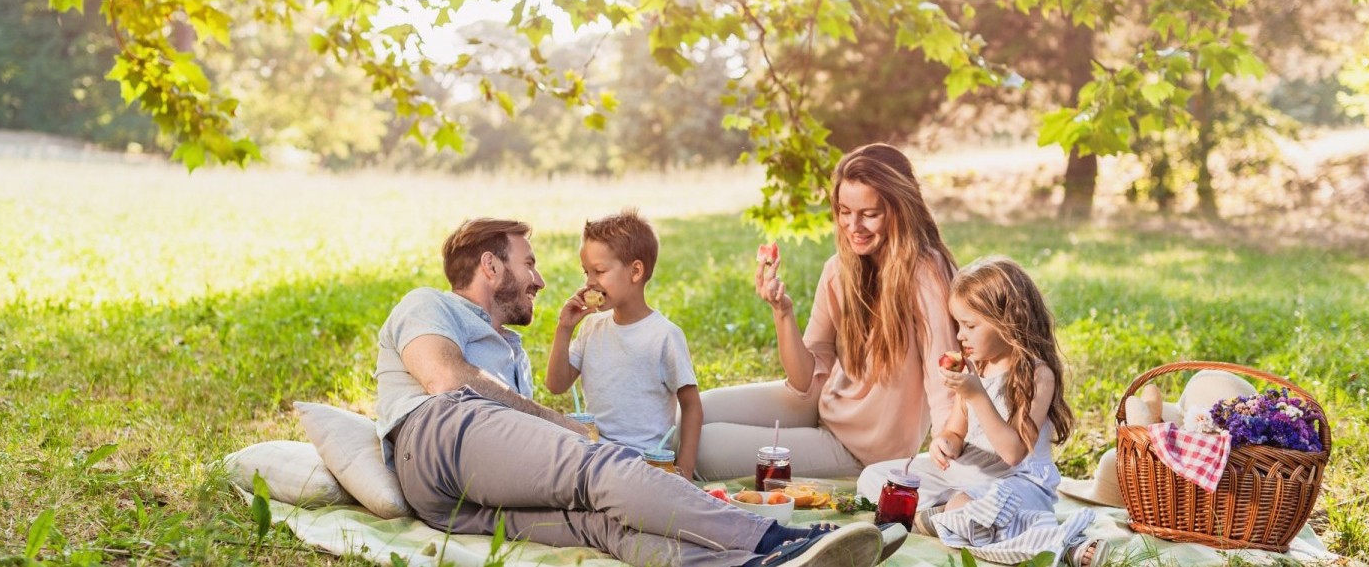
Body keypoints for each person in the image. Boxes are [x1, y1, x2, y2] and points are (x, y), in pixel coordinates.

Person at [375, 217, 893, 567]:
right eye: (527, 263)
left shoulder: (509, 350)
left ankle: (756, 561)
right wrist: (569, 428)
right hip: (438, 435)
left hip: (449, 502)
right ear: (490, 267)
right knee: (601, 465)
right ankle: (773, 535)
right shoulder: (427, 304)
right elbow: (444, 378)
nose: (539, 280)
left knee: (601, 526)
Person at [696, 143, 961, 480]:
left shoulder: (927, 275)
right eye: (844, 211)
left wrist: (948, 448)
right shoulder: (839, 269)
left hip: (861, 450)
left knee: (703, 448)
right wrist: (782, 311)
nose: (854, 226)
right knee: (692, 414)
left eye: (869, 213)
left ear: (899, 210)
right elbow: (804, 381)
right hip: (822, 406)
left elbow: (946, 381)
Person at [857, 257, 1105, 566]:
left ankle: (1060, 542)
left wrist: (977, 396)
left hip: (1017, 484)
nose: (960, 335)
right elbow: (956, 432)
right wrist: (944, 443)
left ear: (1008, 322)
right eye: (958, 324)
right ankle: (942, 519)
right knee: (875, 477)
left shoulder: (1037, 375)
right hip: (968, 475)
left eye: (970, 325)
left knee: (972, 508)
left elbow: (1013, 452)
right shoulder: (978, 367)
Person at [546, 209, 704, 479]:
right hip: (594, 454)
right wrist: (564, 329)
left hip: (643, 462)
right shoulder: (592, 328)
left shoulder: (664, 335)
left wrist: (685, 469)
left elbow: (691, 406)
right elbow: (556, 385)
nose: (589, 282)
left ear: (635, 271)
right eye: (586, 272)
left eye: (599, 271)